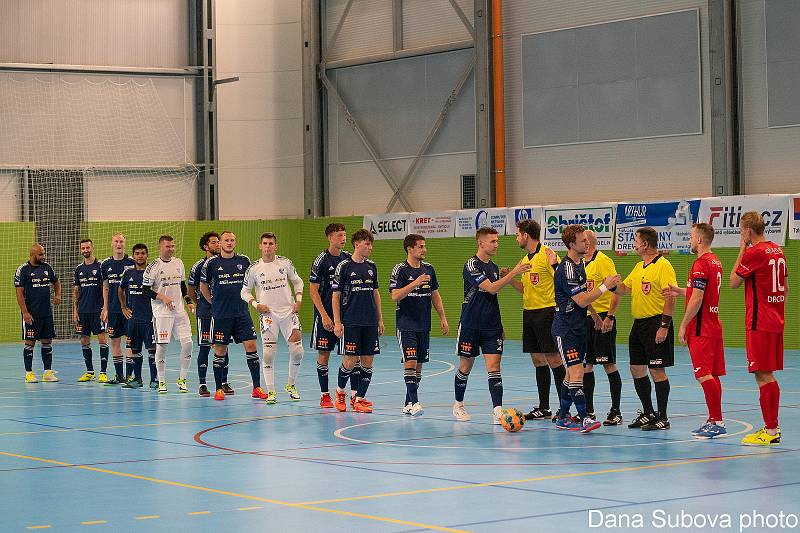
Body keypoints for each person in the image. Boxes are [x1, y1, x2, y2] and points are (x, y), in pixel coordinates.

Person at [453, 227, 531, 423]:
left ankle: (497, 409)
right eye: (493, 241)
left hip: (492, 326)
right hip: (471, 324)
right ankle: (458, 404)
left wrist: (500, 325)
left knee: (494, 367)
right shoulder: (471, 265)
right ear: (481, 243)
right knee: (465, 366)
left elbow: (493, 299)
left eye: (497, 241)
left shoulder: (494, 267)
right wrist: (514, 271)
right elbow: (491, 289)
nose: (497, 244)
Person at [551, 224, 620, 432]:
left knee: (570, 375)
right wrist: (604, 286)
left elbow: (582, 298)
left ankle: (563, 417)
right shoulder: (568, 268)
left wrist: (596, 316)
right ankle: (584, 417)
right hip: (566, 328)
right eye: (583, 240)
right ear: (572, 244)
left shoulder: (579, 264)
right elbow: (581, 300)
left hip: (579, 326)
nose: (587, 243)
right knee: (577, 372)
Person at [664, 223, 726, 438]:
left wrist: (682, 324)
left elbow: (698, 298)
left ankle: (717, 421)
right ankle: (714, 419)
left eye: (691, 237)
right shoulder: (715, 261)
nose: (690, 241)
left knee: (703, 375)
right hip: (713, 324)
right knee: (712, 375)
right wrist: (680, 291)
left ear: (699, 240)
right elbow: (698, 292)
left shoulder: (700, 263)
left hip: (701, 327)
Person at [731, 212, 787, 446]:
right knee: (767, 373)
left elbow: (734, 282)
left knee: (762, 374)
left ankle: (771, 430)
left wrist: (742, 248)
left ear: (748, 231)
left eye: (741, 231)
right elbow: (785, 287)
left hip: (759, 321)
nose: (741, 235)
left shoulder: (755, 252)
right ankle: (771, 427)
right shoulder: (778, 250)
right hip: (776, 319)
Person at [615, 227, 678, 431]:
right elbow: (624, 289)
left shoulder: (663, 265)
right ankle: (648, 412)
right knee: (636, 368)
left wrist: (664, 327)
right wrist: (608, 285)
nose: (634, 244)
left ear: (644, 244)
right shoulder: (639, 266)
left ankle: (663, 417)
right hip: (639, 324)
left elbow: (671, 297)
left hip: (656, 323)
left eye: (636, 240)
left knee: (656, 370)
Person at [510, 219, 566, 421]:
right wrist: (509, 278)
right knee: (537, 360)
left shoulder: (548, 254)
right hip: (529, 313)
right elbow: (524, 288)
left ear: (525, 235)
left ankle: (564, 406)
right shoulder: (524, 259)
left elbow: (562, 279)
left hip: (547, 312)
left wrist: (556, 264)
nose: (516, 238)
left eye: (517, 234)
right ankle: (544, 407)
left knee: (553, 359)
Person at [200, 231, 265, 401]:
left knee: (251, 346)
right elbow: (203, 286)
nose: (229, 243)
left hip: (242, 313)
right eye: (226, 240)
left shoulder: (244, 261)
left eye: (232, 240)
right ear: (220, 243)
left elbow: (253, 284)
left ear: (235, 242)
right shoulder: (211, 263)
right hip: (221, 315)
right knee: (220, 350)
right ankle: (218, 388)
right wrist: (213, 304)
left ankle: (256, 387)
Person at [241, 232, 305, 404]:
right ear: (260, 246)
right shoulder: (253, 269)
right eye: (265, 243)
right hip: (268, 315)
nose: (268, 246)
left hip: (288, 312)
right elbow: (244, 292)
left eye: (271, 243)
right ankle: (271, 391)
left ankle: (291, 385)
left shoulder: (285, 263)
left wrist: (298, 299)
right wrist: (256, 304)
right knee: (268, 354)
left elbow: (298, 282)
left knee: (298, 351)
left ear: (276, 246)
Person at [389, 234, 448, 416]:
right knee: (411, 361)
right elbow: (395, 296)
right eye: (421, 247)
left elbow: (435, 295)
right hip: (406, 324)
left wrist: (443, 317)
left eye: (424, 246)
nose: (424, 250)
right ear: (410, 249)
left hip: (424, 324)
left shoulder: (429, 269)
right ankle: (415, 403)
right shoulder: (400, 270)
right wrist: (415, 283)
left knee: (419, 366)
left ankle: (407, 403)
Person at [332, 229, 383, 413]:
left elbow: (376, 293)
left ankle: (359, 399)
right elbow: (336, 296)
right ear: (356, 244)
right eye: (367, 244)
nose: (370, 247)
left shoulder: (372, 266)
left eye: (371, 244)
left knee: (368, 360)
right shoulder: (344, 266)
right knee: (350, 360)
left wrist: (379, 319)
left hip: (369, 321)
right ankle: (339, 393)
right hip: (351, 321)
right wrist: (337, 322)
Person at [309, 223, 358, 408]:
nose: (343, 238)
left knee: (352, 355)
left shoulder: (348, 259)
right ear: (330, 237)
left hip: (346, 318)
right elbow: (313, 291)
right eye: (339, 235)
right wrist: (324, 316)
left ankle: (354, 395)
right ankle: (324, 395)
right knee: (324, 354)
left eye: (345, 235)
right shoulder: (321, 260)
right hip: (325, 317)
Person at [582, 230, 624, 425]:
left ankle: (616, 411)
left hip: (603, 320)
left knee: (608, 364)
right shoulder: (580, 262)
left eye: (582, 241)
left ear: (588, 243)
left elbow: (616, 290)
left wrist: (610, 316)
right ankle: (588, 411)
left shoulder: (604, 261)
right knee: (586, 366)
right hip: (586, 319)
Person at [142, 235, 194, 394]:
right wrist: (163, 297)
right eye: (167, 246)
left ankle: (182, 379)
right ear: (160, 247)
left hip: (179, 312)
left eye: (172, 246)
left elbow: (182, 286)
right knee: (162, 347)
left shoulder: (179, 263)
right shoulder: (153, 266)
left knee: (188, 344)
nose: (171, 249)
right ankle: (162, 381)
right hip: (162, 313)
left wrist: (188, 301)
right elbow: (145, 290)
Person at [15, 244, 61, 383]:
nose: (44, 256)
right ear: (33, 254)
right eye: (41, 254)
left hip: (46, 313)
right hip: (31, 314)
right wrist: (25, 312)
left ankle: (47, 372)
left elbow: (56, 281)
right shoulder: (23, 270)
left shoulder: (47, 267)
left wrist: (57, 295)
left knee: (47, 342)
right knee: (30, 343)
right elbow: (19, 292)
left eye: (44, 253)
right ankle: (29, 373)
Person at [119, 243, 158, 389]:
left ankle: (154, 380)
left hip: (150, 319)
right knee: (135, 350)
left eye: (142, 253)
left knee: (152, 350)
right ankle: (138, 379)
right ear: (133, 255)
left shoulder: (153, 272)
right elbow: (120, 289)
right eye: (137, 253)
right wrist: (123, 307)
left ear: (147, 255)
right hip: (133, 320)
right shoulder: (128, 273)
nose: (140, 256)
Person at [188, 231, 220, 396]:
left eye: (218, 242)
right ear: (205, 246)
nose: (218, 244)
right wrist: (201, 303)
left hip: (222, 312)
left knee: (222, 346)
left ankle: (223, 383)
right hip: (205, 312)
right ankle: (202, 384)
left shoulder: (225, 262)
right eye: (213, 242)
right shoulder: (198, 266)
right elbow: (191, 290)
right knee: (205, 347)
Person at [100, 233, 135, 384]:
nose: (119, 244)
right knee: (114, 341)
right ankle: (119, 375)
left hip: (130, 310)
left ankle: (130, 376)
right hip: (113, 309)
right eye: (116, 241)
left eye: (121, 241)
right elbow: (106, 287)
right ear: (111, 244)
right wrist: (105, 308)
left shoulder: (132, 262)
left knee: (130, 342)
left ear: (124, 244)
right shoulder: (105, 264)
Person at [73, 238, 109, 383]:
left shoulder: (101, 266)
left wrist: (105, 307)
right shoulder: (78, 269)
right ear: (80, 250)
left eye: (88, 248)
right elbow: (76, 290)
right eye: (83, 248)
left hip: (98, 311)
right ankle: (89, 371)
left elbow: (106, 287)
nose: (86, 250)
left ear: (92, 248)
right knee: (84, 340)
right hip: (83, 311)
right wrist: (75, 310)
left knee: (102, 339)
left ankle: (103, 372)